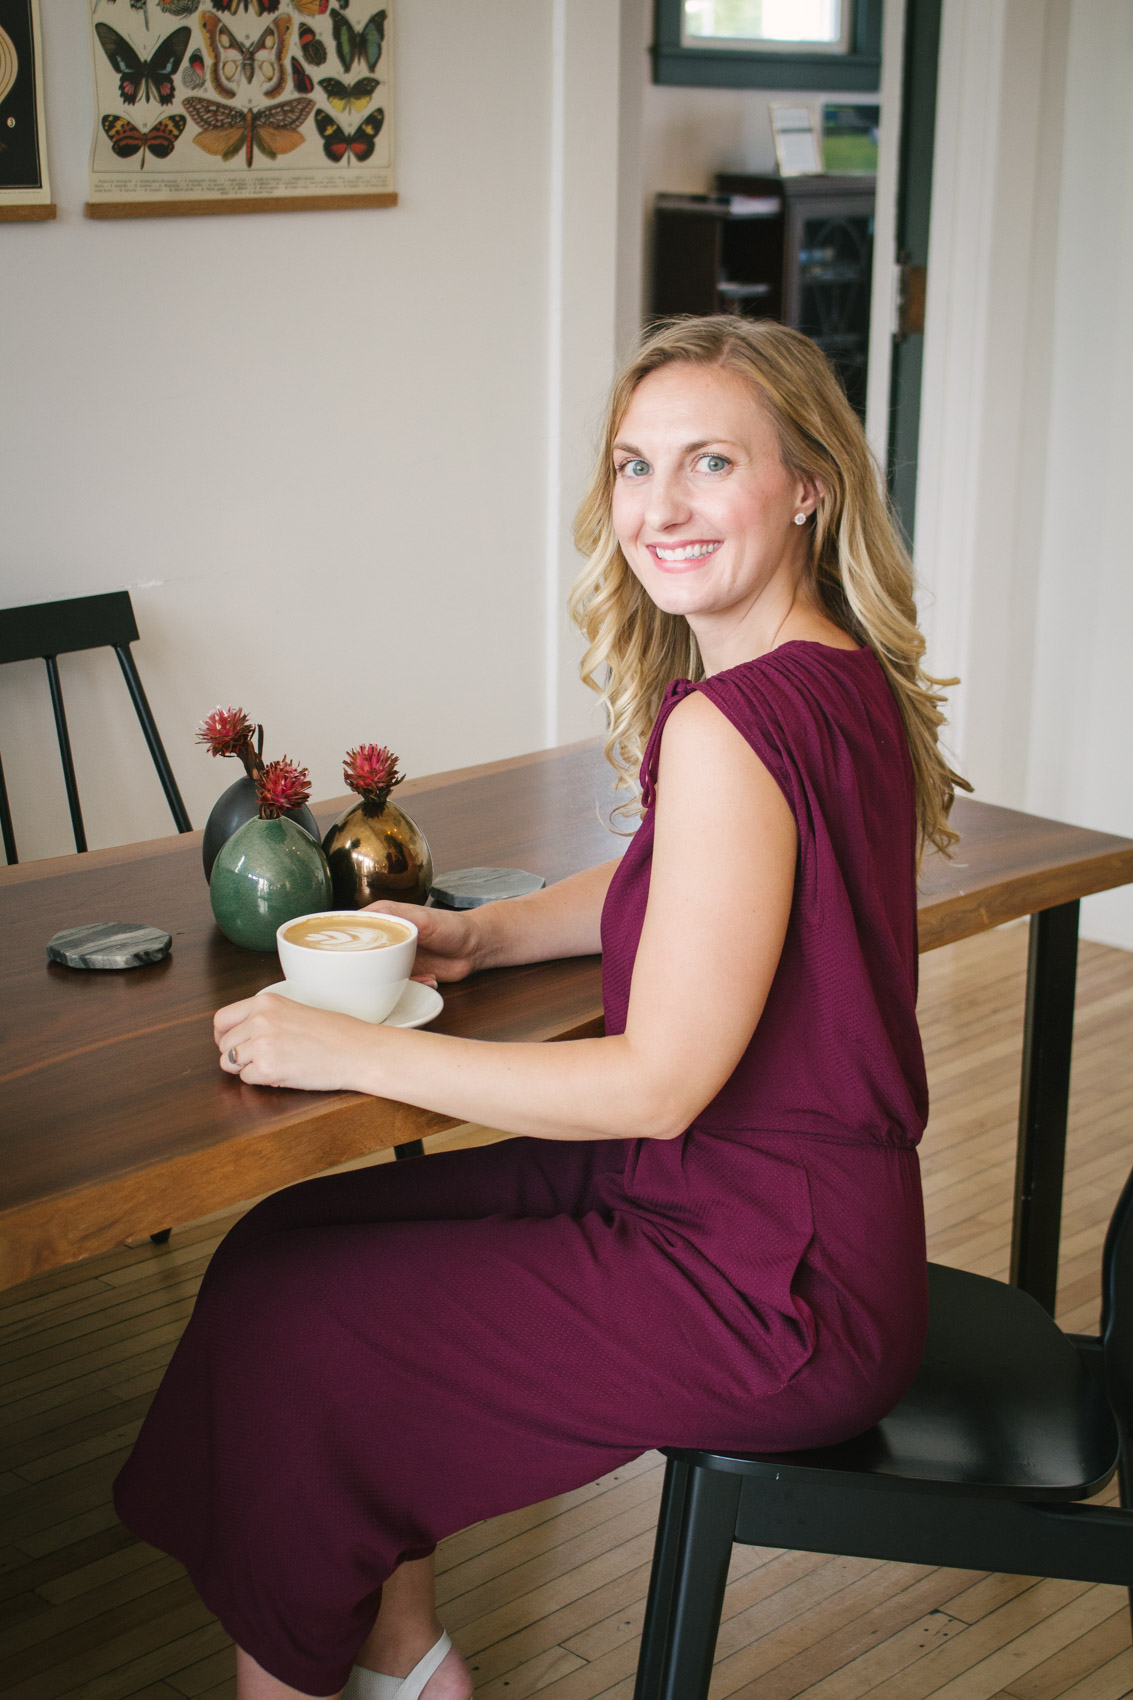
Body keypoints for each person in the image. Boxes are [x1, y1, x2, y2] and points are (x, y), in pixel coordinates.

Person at [114, 316, 965, 1700]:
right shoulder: (828, 678)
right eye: (634, 467)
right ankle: (403, 1656)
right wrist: (485, 931)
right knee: (285, 1247)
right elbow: (675, 880)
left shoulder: (730, 723)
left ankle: (328, 1677)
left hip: (762, 1285)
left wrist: (352, 1042)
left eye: (707, 462)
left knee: (305, 1336)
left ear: (808, 482)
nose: (659, 508)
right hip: (770, 1222)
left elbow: (655, 1085)